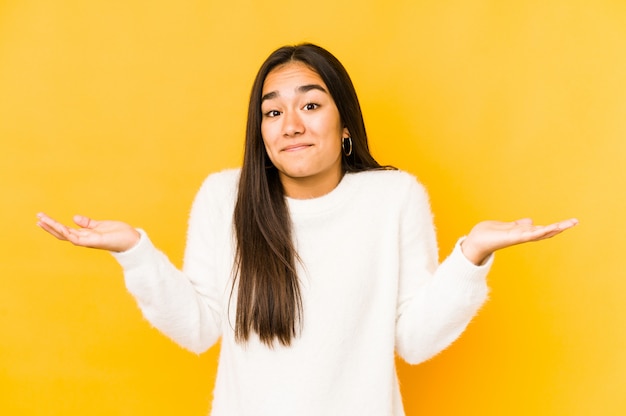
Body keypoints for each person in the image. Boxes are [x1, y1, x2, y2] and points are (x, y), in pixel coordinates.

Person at [36, 43, 578, 416]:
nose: (290, 124)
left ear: (344, 126)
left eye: (311, 105)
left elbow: (413, 341)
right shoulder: (226, 198)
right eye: (272, 113)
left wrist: (471, 255)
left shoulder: (393, 199)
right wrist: (135, 252)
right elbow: (199, 328)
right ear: (261, 131)